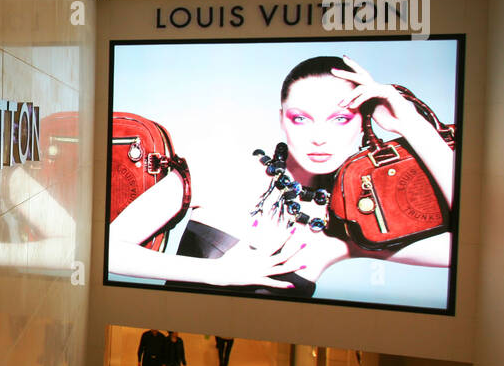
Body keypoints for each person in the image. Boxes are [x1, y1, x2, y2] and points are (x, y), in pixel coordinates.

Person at [106, 55, 455, 296]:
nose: (319, 136)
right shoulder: (220, 171)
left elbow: (470, 250)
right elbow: (108, 251)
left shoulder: (351, 226)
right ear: (282, 118)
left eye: (339, 119)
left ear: (362, 123)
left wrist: (411, 124)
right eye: (301, 118)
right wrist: (219, 274)